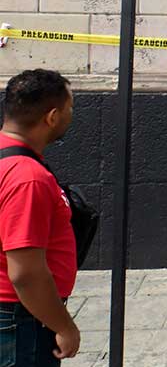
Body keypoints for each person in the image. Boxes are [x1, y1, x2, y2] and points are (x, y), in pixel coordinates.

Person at [0, 70, 81, 363]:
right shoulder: (27, 178)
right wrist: (64, 327)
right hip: (23, 321)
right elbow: (26, 273)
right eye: (70, 108)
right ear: (52, 117)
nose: (72, 115)